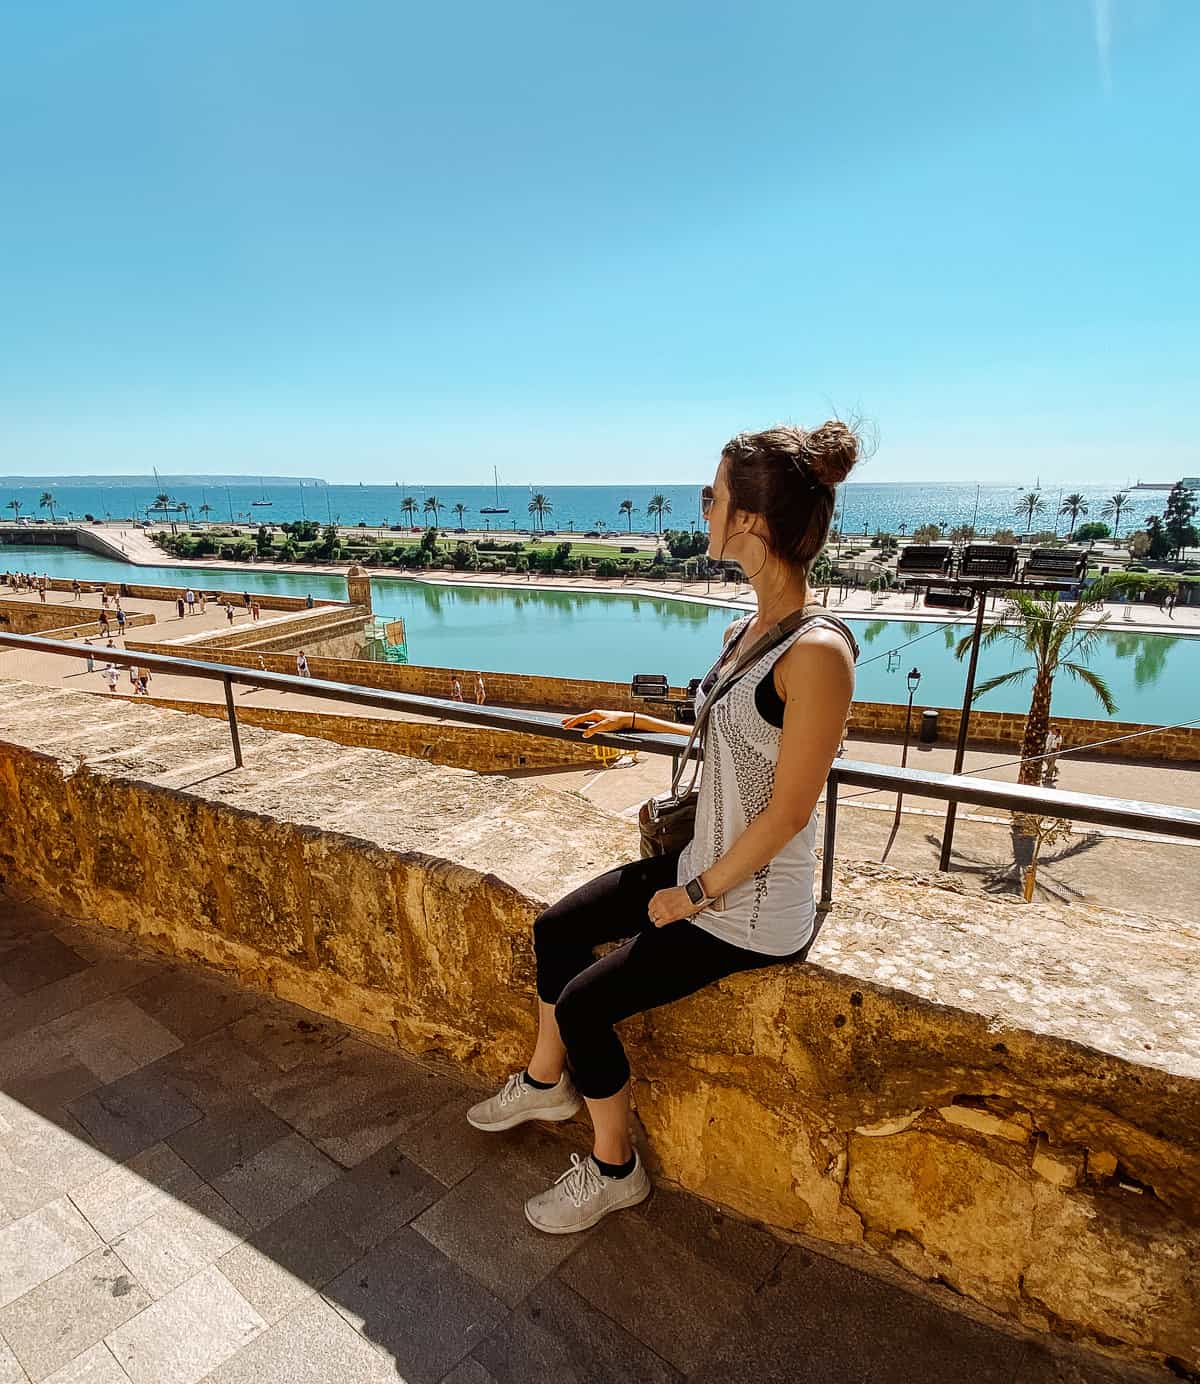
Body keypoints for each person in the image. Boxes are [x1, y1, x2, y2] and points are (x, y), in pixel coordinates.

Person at [466, 422, 861, 1234]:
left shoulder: (818, 655)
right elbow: (724, 737)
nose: (704, 509)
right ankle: (546, 1087)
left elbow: (790, 810)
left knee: (582, 1006)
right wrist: (634, 720)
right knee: (556, 930)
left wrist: (693, 897)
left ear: (749, 522)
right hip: (702, 861)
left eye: (712, 497)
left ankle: (617, 1169)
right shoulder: (743, 633)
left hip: (747, 908)